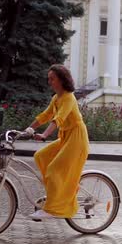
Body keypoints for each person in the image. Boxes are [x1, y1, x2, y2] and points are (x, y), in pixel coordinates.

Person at [24, 64, 90, 221]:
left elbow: (58, 119)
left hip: (77, 139)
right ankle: (57, 193)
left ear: (61, 80)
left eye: (52, 79)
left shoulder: (68, 97)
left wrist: (45, 135)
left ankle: (51, 209)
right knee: (41, 156)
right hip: (66, 137)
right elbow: (45, 115)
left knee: (54, 170)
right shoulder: (56, 98)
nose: (50, 82)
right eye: (49, 79)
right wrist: (28, 129)